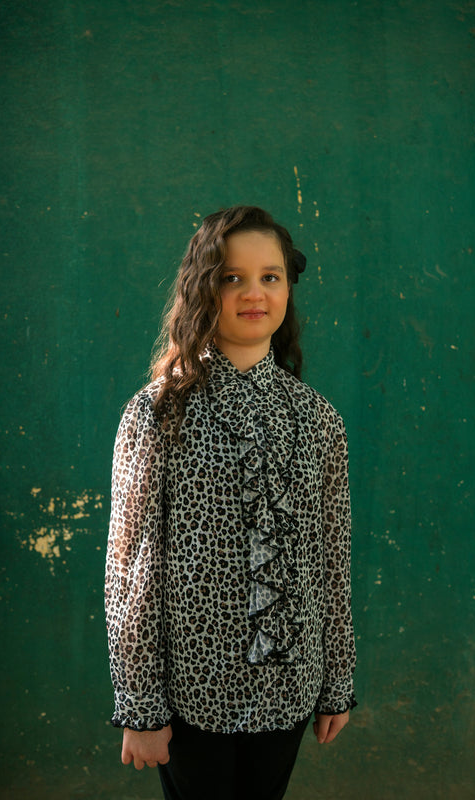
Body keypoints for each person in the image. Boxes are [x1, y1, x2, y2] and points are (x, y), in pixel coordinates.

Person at [105, 205, 357, 800]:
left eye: (270, 276)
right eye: (231, 277)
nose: (254, 293)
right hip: (191, 692)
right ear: (203, 288)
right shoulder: (157, 413)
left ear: (288, 288)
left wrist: (337, 681)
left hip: (290, 690)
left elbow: (332, 560)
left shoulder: (317, 420)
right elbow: (130, 572)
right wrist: (140, 705)